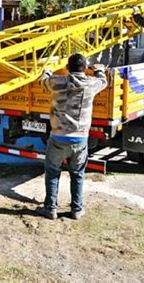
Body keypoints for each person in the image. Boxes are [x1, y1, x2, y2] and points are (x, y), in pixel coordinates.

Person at [38, 53, 108, 220]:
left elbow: (43, 81)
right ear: (84, 68)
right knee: (77, 174)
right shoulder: (91, 84)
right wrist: (98, 70)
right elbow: (104, 81)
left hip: (58, 137)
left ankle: (50, 209)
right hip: (80, 139)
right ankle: (76, 210)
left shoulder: (57, 81)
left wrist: (48, 70)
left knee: (53, 172)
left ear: (67, 68)